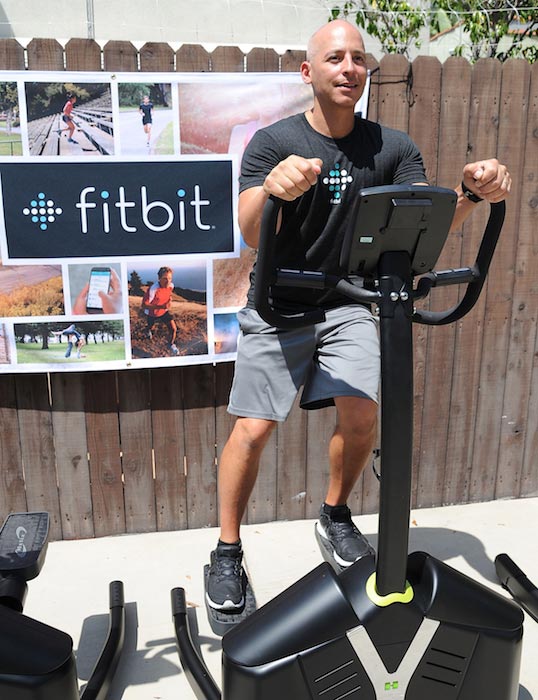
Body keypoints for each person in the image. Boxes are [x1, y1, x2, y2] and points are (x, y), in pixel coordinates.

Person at [205, 18, 512, 613]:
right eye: (335, 58)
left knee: (362, 413)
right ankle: (226, 551)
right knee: (254, 426)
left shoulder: (392, 148)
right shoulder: (273, 141)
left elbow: (424, 224)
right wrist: (273, 189)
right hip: (279, 304)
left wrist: (472, 195)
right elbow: (247, 232)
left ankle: (335, 514)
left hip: (350, 302)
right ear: (308, 72)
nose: (349, 68)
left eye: (358, 58)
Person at [142, 266, 179, 356]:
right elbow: (144, 305)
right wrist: (161, 306)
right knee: (150, 326)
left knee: (173, 329)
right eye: (165, 279)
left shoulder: (171, 286)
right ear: (159, 278)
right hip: (152, 313)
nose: (168, 281)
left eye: (170, 278)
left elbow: (168, 294)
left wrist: (169, 300)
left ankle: (171, 344)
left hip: (164, 312)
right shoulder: (153, 289)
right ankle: (148, 330)